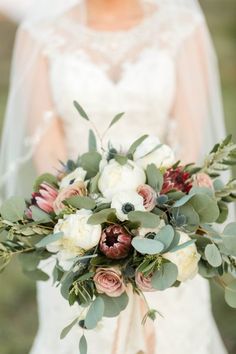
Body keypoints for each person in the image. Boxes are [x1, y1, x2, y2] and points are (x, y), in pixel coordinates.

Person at [0, 0, 228, 353]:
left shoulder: (182, 29)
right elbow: (48, 149)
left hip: (165, 234)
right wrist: (87, 226)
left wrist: (154, 225)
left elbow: (188, 143)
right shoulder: (40, 35)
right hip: (76, 234)